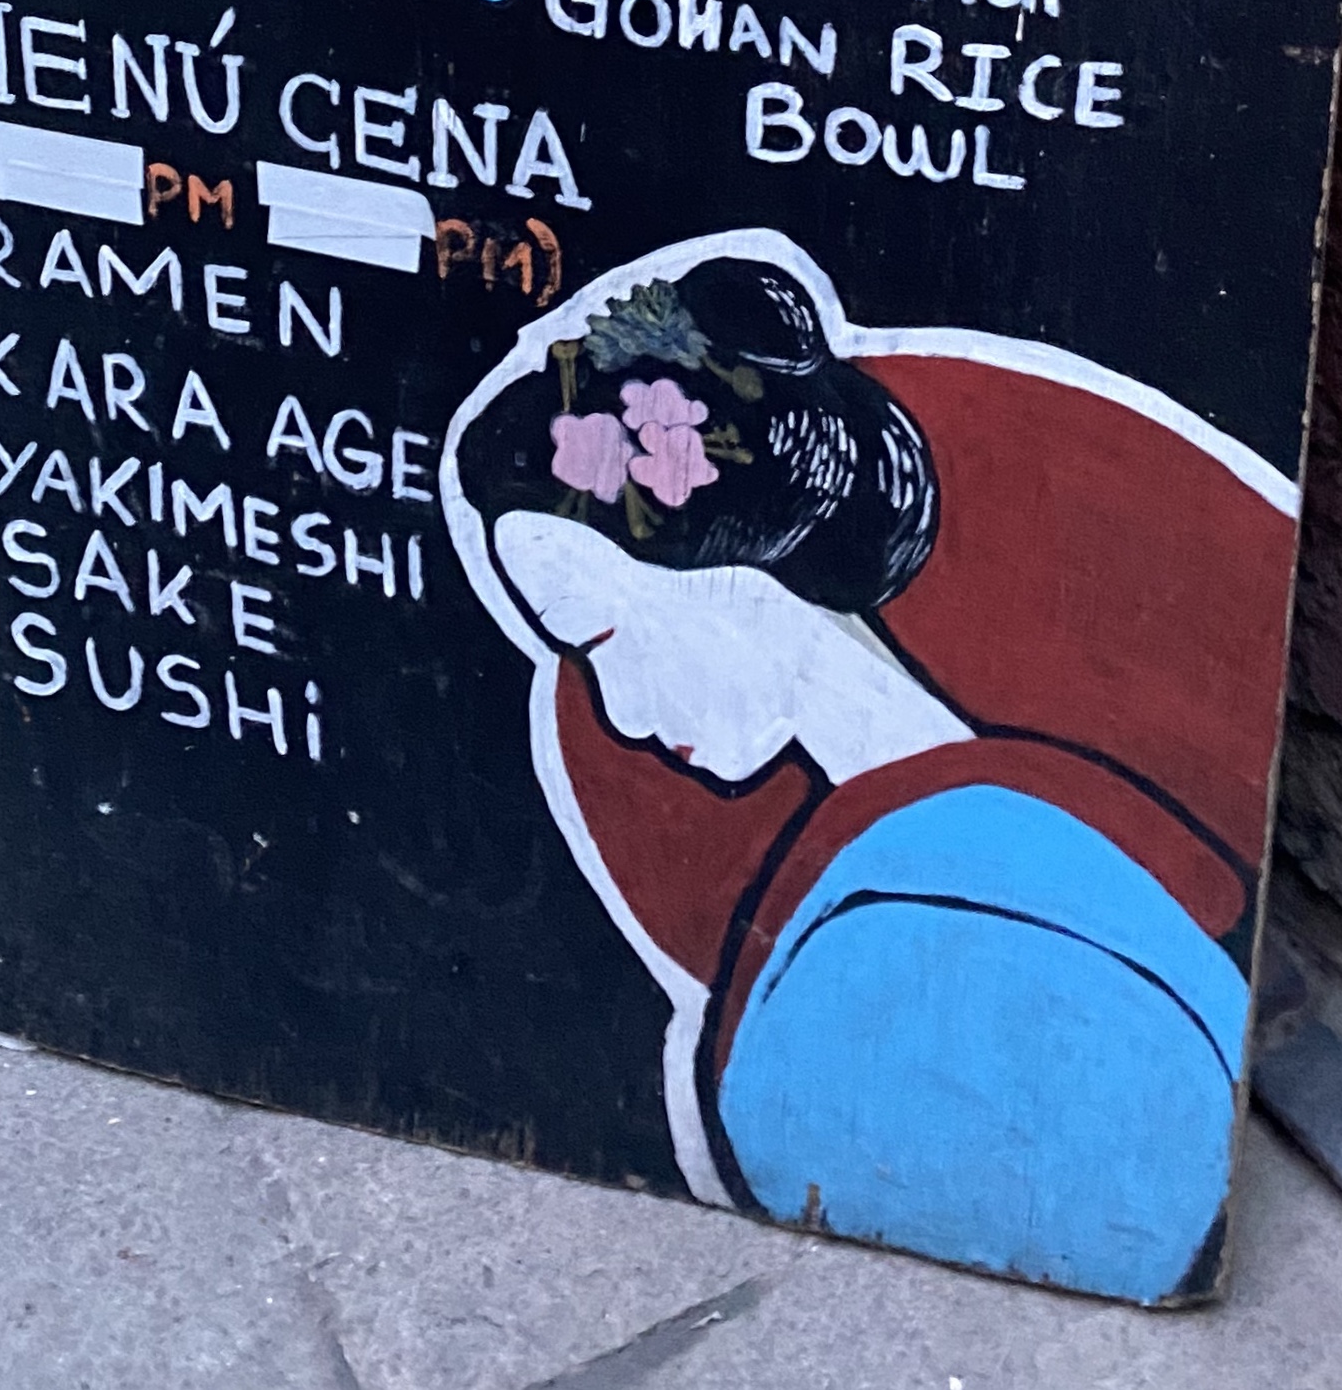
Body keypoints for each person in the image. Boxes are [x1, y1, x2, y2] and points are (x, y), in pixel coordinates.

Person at [448, 251, 1256, 1304]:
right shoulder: (1045, 829)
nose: (620, 710)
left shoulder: (903, 929)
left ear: (741, 568)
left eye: (604, 641)